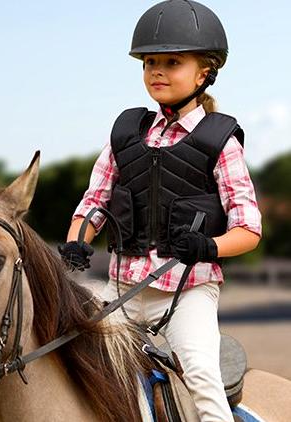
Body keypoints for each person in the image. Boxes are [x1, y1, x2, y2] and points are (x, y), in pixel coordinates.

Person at [58, 1, 261, 421]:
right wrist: (78, 241)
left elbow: (249, 228)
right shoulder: (125, 135)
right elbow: (93, 203)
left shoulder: (220, 141)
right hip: (120, 291)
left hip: (186, 293)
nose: (157, 71)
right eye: (150, 62)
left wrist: (209, 245)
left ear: (204, 72)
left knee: (203, 377)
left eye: (172, 62)